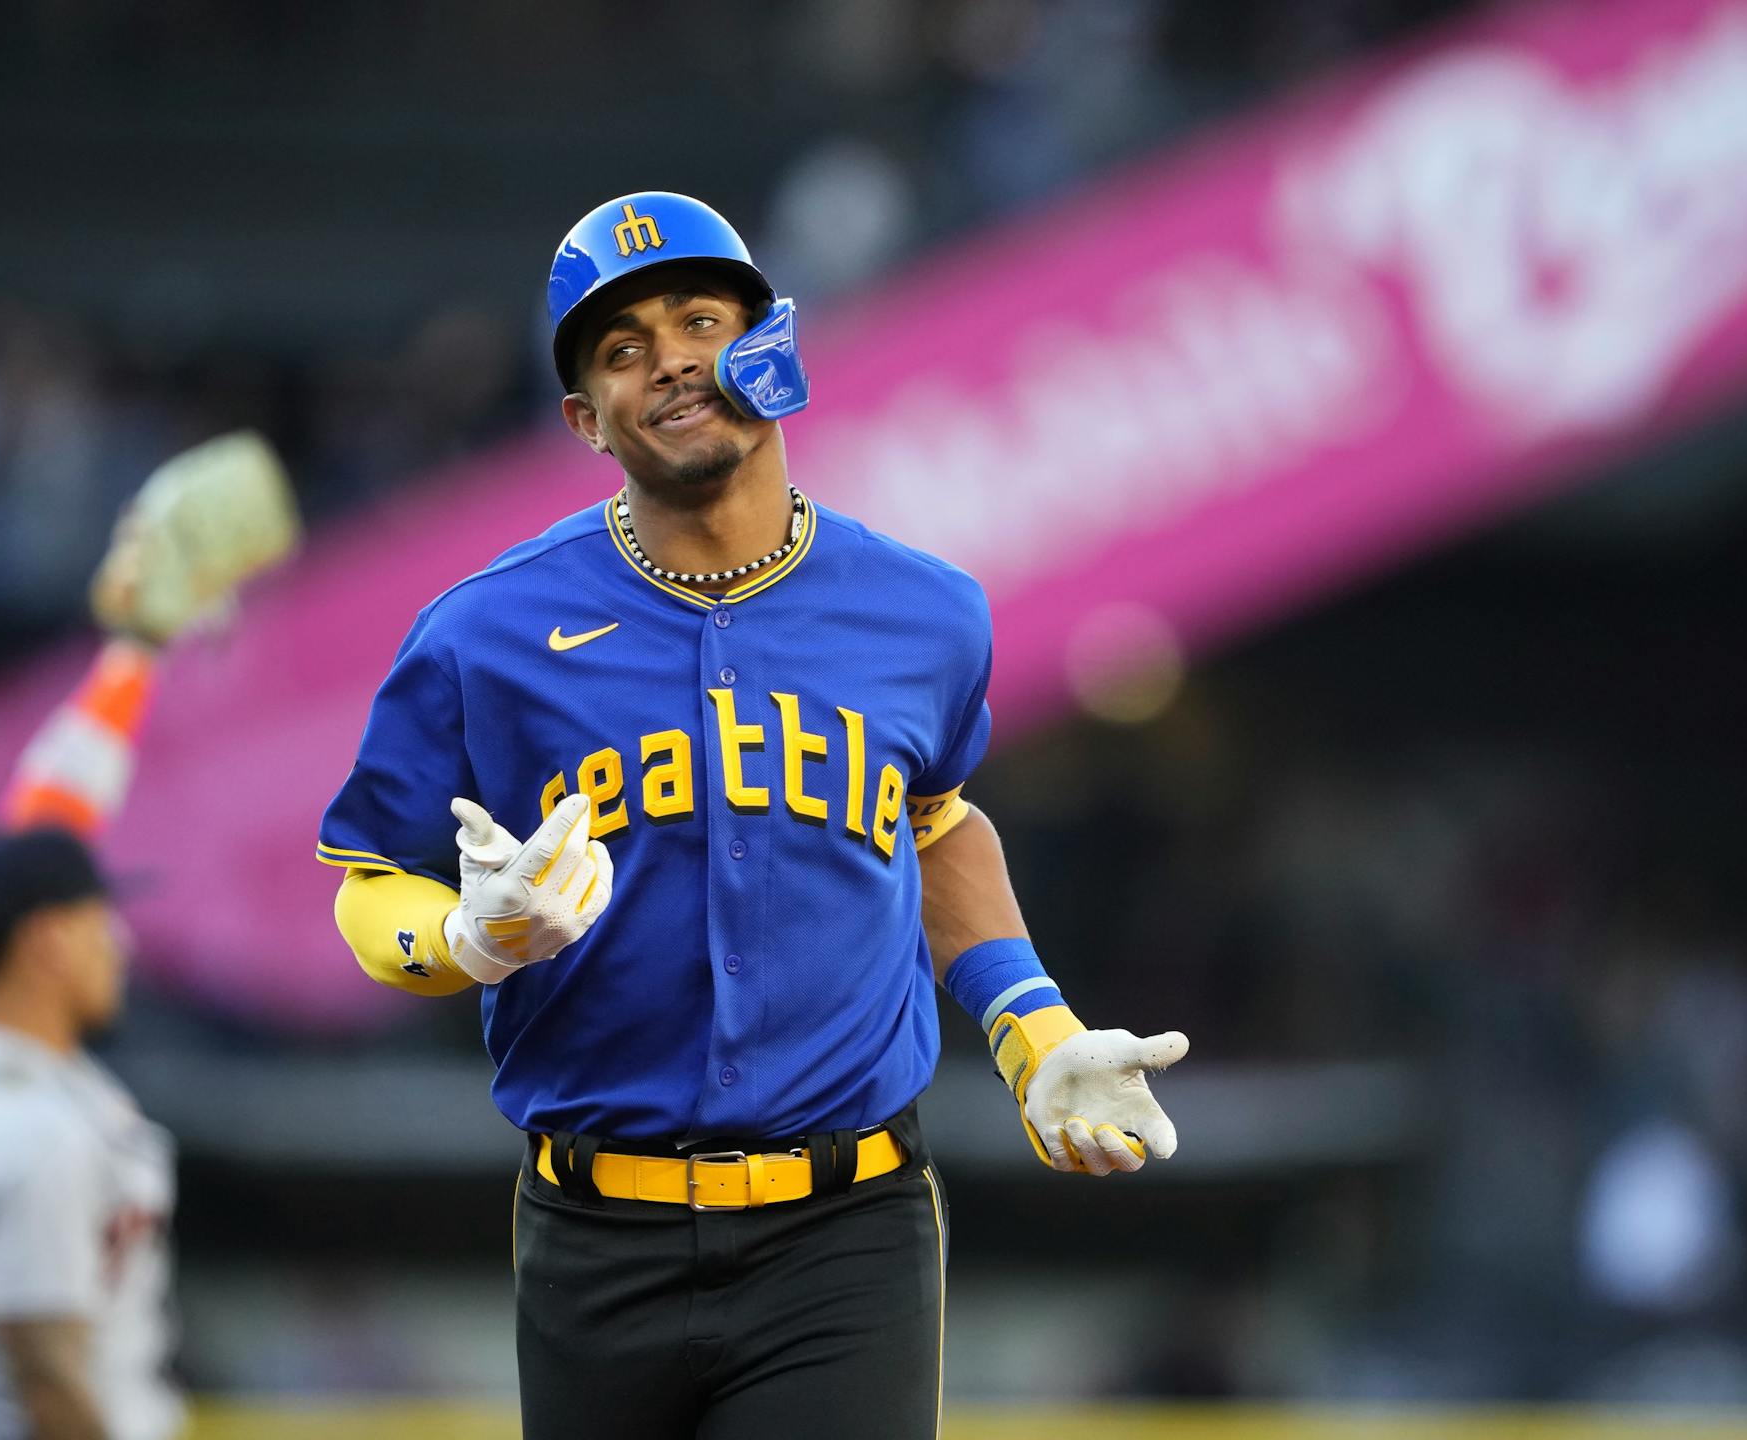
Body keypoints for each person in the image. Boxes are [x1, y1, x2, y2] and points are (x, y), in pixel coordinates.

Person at [320, 192, 1188, 1440]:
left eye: (700, 318)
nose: (670, 357)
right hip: (594, 1232)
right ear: (585, 419)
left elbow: (933, 826)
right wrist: (468, 939)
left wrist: (1034, 1031)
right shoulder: (482, 633)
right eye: (621, 351)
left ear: (770, 339)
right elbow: (369, 881)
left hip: (846, 1230)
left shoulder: (927, 613)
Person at [0, 433, 298, 1440]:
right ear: (47, 944)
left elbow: (40, 827)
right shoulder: (32, 1138)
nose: (121, 941)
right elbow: (50, 1381)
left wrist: (134, 651)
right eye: (99, 919)